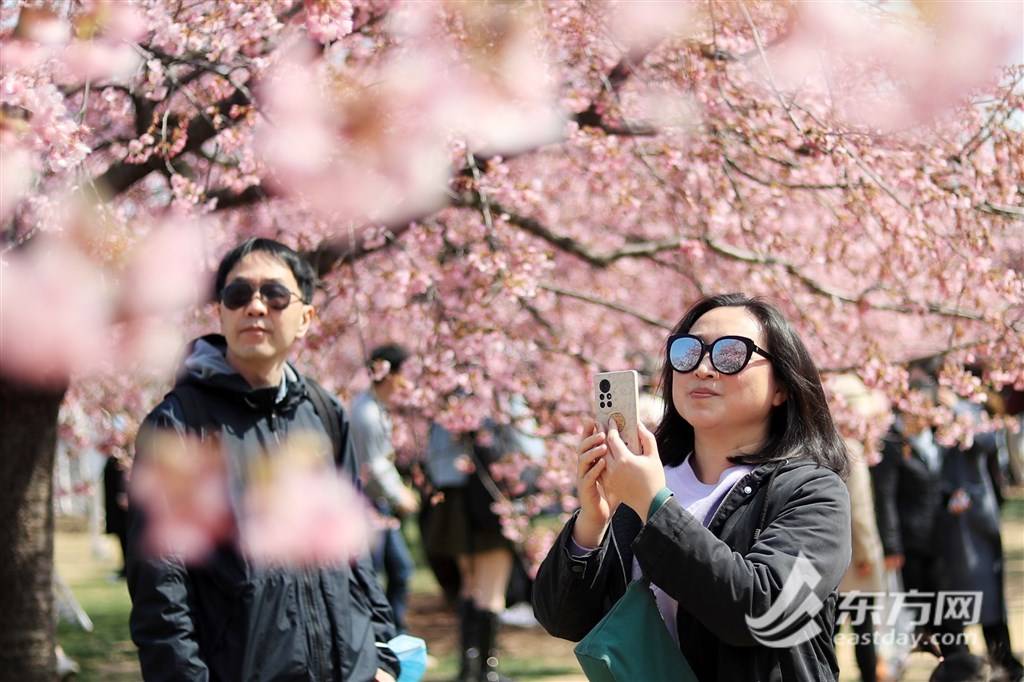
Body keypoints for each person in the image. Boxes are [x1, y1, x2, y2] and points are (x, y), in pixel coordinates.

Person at [533, 293, 852, 681]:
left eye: (731, 354)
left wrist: (654, 506)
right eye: (686, 352)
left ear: (782, 387)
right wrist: (593, 520)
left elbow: (762, 611)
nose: (702, 368)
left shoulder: (813, 491)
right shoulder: (646, 478)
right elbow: (562, 619)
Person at [126, 238, 400, 682]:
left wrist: (383, 654)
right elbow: (161, 583)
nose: (255, 307)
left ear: (306, 317)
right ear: (221, 312)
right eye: (238, 295)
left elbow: (352, 549)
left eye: (274, 295)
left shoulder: (324, 413)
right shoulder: (180, 424)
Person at [425, 396, 542, 682]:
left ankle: (468, 669)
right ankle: (487, 670)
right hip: (490, 501)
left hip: (454, 504)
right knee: (490, 590)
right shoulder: (500, 392)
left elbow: (434, 460)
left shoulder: (446, 394)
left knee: (470, 585)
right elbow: (532, 448)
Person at [350, 343, 419, 634]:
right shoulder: (366, 413)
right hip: (368, 504)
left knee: (399, 569)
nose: (408, 382)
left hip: (378, 504)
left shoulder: (374, 408)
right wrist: (401, 495)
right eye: (405, 373)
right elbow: (375, 466)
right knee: (376, 574)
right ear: (388, 375)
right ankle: (381, 637)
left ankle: (393, 635)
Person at [830, 376, 887, 682]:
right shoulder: (852, 451)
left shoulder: (823, 447)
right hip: (855, 559)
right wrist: (866, 553)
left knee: (830, 631)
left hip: (829, 560)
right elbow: (861, 512)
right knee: (864, 632)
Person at [103, 454, 129, 578]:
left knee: (126, 536)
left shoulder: (121, 457)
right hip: (115, 506)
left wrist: (123, 492)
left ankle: (128, 567)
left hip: (123, 509)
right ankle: (125, 566)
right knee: (122, 537)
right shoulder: (114, 457)